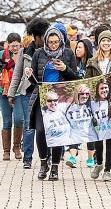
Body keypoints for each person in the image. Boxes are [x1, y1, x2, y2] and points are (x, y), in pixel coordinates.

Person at [25, 27, 78, 181]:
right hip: (42, 96)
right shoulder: (39, 53)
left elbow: (75, 77)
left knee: (57, 132)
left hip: (60, 98)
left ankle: (54, 167)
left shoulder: (67, 53)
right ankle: (43, 164)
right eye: (50, 42)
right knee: (41, 131)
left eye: (56, 42)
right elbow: (34, 79)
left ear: (60, 41)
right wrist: (29, 75)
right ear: (46, 41)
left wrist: (65, 68)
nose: (53, 45)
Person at [8, 18, 50, 168]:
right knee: (28, 125)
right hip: (28, 93)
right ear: (36, 36)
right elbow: (17, 74)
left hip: (46, 93)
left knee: (47, 125)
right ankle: (28, 157)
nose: (46, 39)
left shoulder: (50, 52)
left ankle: (48, 156)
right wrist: (11, 94)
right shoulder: (24, 52)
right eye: (43, 36)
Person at [85, 30, 111, 181]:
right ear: (99, 43)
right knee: (98, 134)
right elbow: (87, 81)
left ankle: (107, 168)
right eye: (103, 41)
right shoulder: (93, 61)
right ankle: (98, 163)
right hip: (96, 101)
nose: (106, 43)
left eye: (108, 41)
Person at [90, 78, 111, 181]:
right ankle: (99, 164)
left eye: (106, 88)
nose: (104, 90)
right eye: (101, 88)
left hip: (110, 129)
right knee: (98, 146)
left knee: (110, 146)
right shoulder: (93, 103)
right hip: (98, 129)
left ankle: (107, 170)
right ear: (97, 90)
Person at [0, 33, 24, 161]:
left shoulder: (23, 56)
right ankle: (6, 151)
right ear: (8, 45)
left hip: (19, 92)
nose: (15, 48)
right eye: (12, 46)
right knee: (7, 121)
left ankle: (16, 147)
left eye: (17, 46)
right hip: (3, 92)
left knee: (19, 119)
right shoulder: (2, 55)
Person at [65, 83, 97, 168]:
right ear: (77, 94)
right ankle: (72, 158)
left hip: (88, 127)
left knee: (91, 138)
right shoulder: (71, 106)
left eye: (87, 94)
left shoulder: (91, 104)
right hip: (75, 128)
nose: (85, 96)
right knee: (73, 138)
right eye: (82, 93)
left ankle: (90, 159)